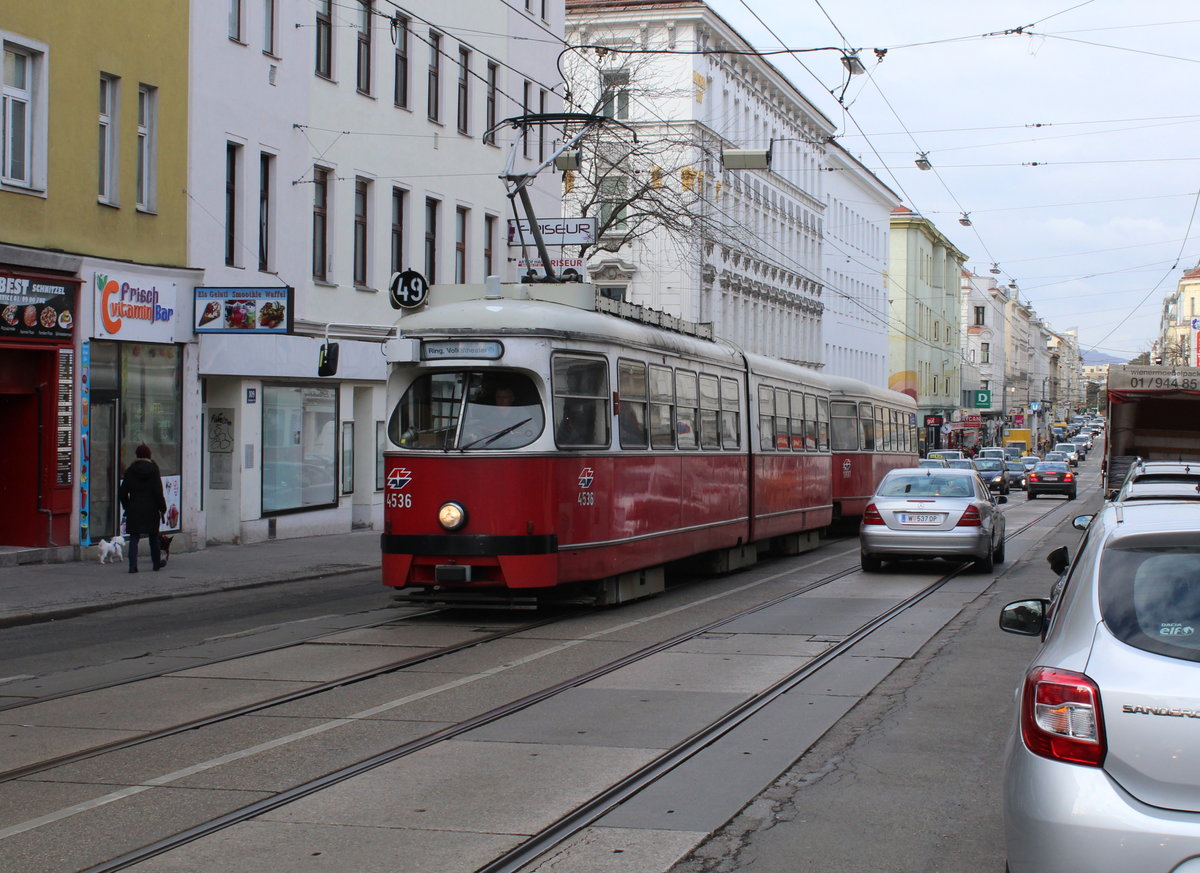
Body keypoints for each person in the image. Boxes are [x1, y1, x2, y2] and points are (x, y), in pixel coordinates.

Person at [119, 444, 167, 573]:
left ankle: (132, 565)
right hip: (151, 509)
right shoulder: (154, 470)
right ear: (149, 455)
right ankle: (156, 563)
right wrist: (162, 507)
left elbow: (122, 493)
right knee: (153, 537)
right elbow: (158, 492)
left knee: (134, 539)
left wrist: (127, 506)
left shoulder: (130, 470)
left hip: (134, 508)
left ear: (137, 455)